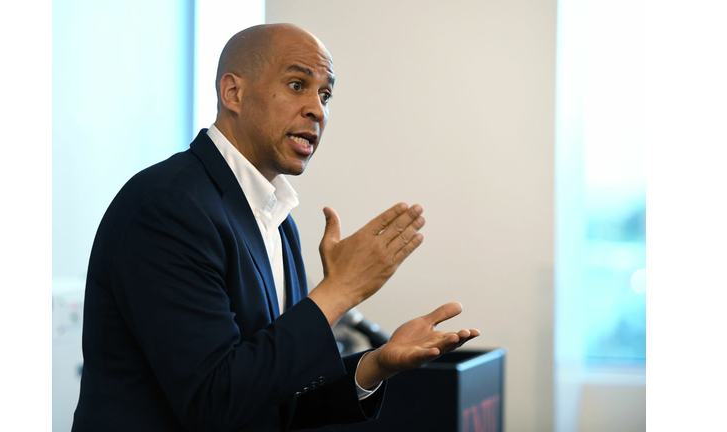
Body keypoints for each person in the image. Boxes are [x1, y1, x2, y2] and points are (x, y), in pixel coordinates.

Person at [71, 23, 479, 432]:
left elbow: (273, 395)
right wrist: (338, 292)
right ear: (233, 93)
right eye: (298, 84)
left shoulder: (276, 219)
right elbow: (213, 400)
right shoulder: (168, 206)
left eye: (325, 94)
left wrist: (375, 365)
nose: (318, 110)